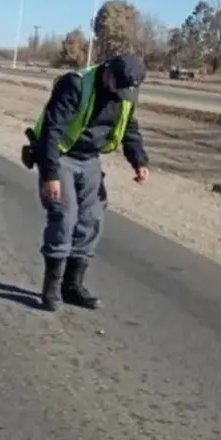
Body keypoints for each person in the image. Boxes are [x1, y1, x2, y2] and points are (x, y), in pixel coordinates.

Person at [24, 54, 150, 312]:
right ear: (109, 73)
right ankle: (51, 288)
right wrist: (51, 175)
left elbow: (129, 128)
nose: (122, 94)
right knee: (64, 216)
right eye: (119, 86)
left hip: (90, 159)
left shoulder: (126, 94)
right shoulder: (76, 85)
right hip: (61, 156)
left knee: (92, 219)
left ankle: (72, 286)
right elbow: (51, 130)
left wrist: (139, 160)